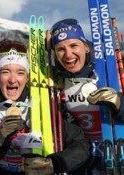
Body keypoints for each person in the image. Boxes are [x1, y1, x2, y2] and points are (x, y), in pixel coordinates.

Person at [0, 39, 91, 175]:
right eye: (5, 72)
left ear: (27, 78)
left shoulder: (43, 101)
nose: (12, 79)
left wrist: (55, 163)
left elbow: (82, 144)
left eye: (20, 73)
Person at [50, 19, 124, 174]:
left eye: (73, 45)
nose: (68, 54)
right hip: (84, 162)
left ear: (86, 47)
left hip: (119, 155)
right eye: (60, 49)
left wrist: (119, 102)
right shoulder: (58, 85)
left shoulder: (110, 71)